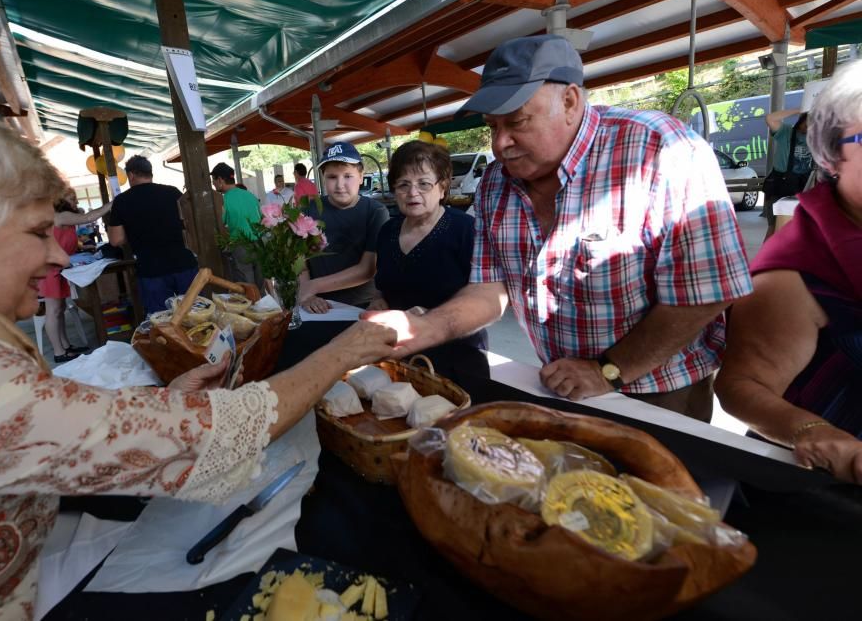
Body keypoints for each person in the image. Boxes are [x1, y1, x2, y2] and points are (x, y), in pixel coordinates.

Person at [0, 109, 397, 618]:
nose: (61, 257)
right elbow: (212, 432)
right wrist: (345, 352)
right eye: (35, 231)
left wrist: (162, 403)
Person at [365, 35, 752, 420]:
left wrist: (608, 370)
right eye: (491, 126)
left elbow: (708, 289)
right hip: (558, 384)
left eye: (516, 122)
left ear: (569, 101)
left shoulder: (659, 149)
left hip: (659, 393)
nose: (500, 144)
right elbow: (489, 288)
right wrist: (422, 328)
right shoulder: (496, 185)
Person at [717, 60, 862, 484]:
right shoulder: (795, 273)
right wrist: (813, 431)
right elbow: (741, 384)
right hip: (823, 495)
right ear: (834, 154)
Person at [369, 140, 488, 378]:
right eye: (403, 184)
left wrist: (430, 317)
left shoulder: (466, 230)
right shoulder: (388, 231)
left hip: (457, 354)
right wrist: (378, 301)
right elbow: (383, 287)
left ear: (442, 187)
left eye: (424, 184)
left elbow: (484, 299)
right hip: (400, 351)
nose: (413, 193)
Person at [300, 141, 390, 313]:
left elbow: (367, 269)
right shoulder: (308, 210)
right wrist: (307, 294)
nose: (340, 185)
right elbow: (299, 261)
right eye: (332, 177)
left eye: (348, 176)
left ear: (361, 176)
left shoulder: (376, 212)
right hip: (319, 304)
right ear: (323, 177)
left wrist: (313, 286)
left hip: (363, 304)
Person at [106, 155, 199, 317]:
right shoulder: (173, 192)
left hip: (151, 269)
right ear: (150, 173)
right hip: (184, 263)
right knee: (196, 314)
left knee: (161, 321)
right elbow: (190, 224)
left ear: (131, 175)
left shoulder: (122, 201)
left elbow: (116, 240)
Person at [38, 189, 111, 362]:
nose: (76, 202)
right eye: (72, 199)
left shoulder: (65, 217)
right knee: (53, 310)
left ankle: (65, 346)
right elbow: (88, 217)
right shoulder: (61, 216)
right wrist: (110, 205)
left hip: (60, 267)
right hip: (50, 268)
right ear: (60, 200)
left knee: (60, 309)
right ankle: (58, 352)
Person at [763, 107, 814, 238]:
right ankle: (767, 258)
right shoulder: (786, 132)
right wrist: (800, 109)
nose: (809, 126)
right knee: (775, 229)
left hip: (802, 187)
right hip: (779, 186)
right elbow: (770, 118)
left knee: (801, 230)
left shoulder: (816, 139)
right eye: (808, 122)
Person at [211, 162, 263, 286]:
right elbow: (260, 218)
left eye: (213, 180)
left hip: (241, 247)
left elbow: (219, 224)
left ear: (220, 180)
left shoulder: (224, 200)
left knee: (247, 288)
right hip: (259, 244)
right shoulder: (250, 195)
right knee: (260, 287)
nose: (213, 184)